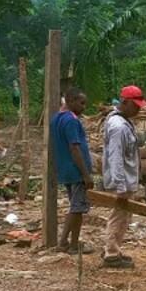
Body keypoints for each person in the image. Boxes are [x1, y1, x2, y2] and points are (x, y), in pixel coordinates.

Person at [101, 85, 146, 268]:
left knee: (124, 216)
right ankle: (111, 253)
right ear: (125, 103)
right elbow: (115, 157)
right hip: (122, 180)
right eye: (135, 106)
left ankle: (114, 248)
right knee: (119, 215)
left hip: (126, 178)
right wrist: (120, 185)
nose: (138, 109)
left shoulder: (124, 122)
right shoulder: (118, 127)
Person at [51, 87, 94, 253]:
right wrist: (86, 174)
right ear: (70, 101)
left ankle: (74, 244)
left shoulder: (56, 119)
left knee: (79, 209)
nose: (84, 107)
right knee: (76, 208)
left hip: (66, 170)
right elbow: (74, 148)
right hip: (76, 171)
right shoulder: (71, 121)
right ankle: (63, 242)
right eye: (81, 103)